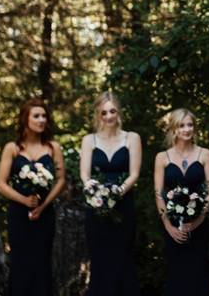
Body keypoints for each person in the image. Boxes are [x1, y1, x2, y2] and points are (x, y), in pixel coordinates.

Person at [0, 98, 66, 296]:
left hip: (44, 214)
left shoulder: (53, 148)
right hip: (18, 215)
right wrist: (24, 200)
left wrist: (43, 206)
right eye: (36, 116)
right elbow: (1, 183)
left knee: (42, 263)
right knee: (20, 264)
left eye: (44, 116)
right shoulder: (13, 148)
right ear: (25, 119)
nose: (41, 120)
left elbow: (61, 181)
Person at [80, 92, 142, 295]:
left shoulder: (132, 138)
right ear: (98, 114)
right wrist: (94, 191)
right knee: (100, 261)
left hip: (123, 207)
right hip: (96, 208)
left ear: (119, 112)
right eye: (104, 112)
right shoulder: (89, 140)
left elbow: (134, 174)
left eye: (112, 111)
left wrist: (117, 192)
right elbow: (84, 173)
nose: (108, 116)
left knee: (123, 259)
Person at [153, 109, 209, 296]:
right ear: (173, 128)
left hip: (199, 225)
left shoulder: (204, 154)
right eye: (182, 125)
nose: (186, 129)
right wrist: (168, 226)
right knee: (177, 276)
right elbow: (158, 193)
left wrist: (199, 219)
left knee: (199, 274)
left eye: (190, 125)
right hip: (172, 227)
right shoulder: (162, 157)